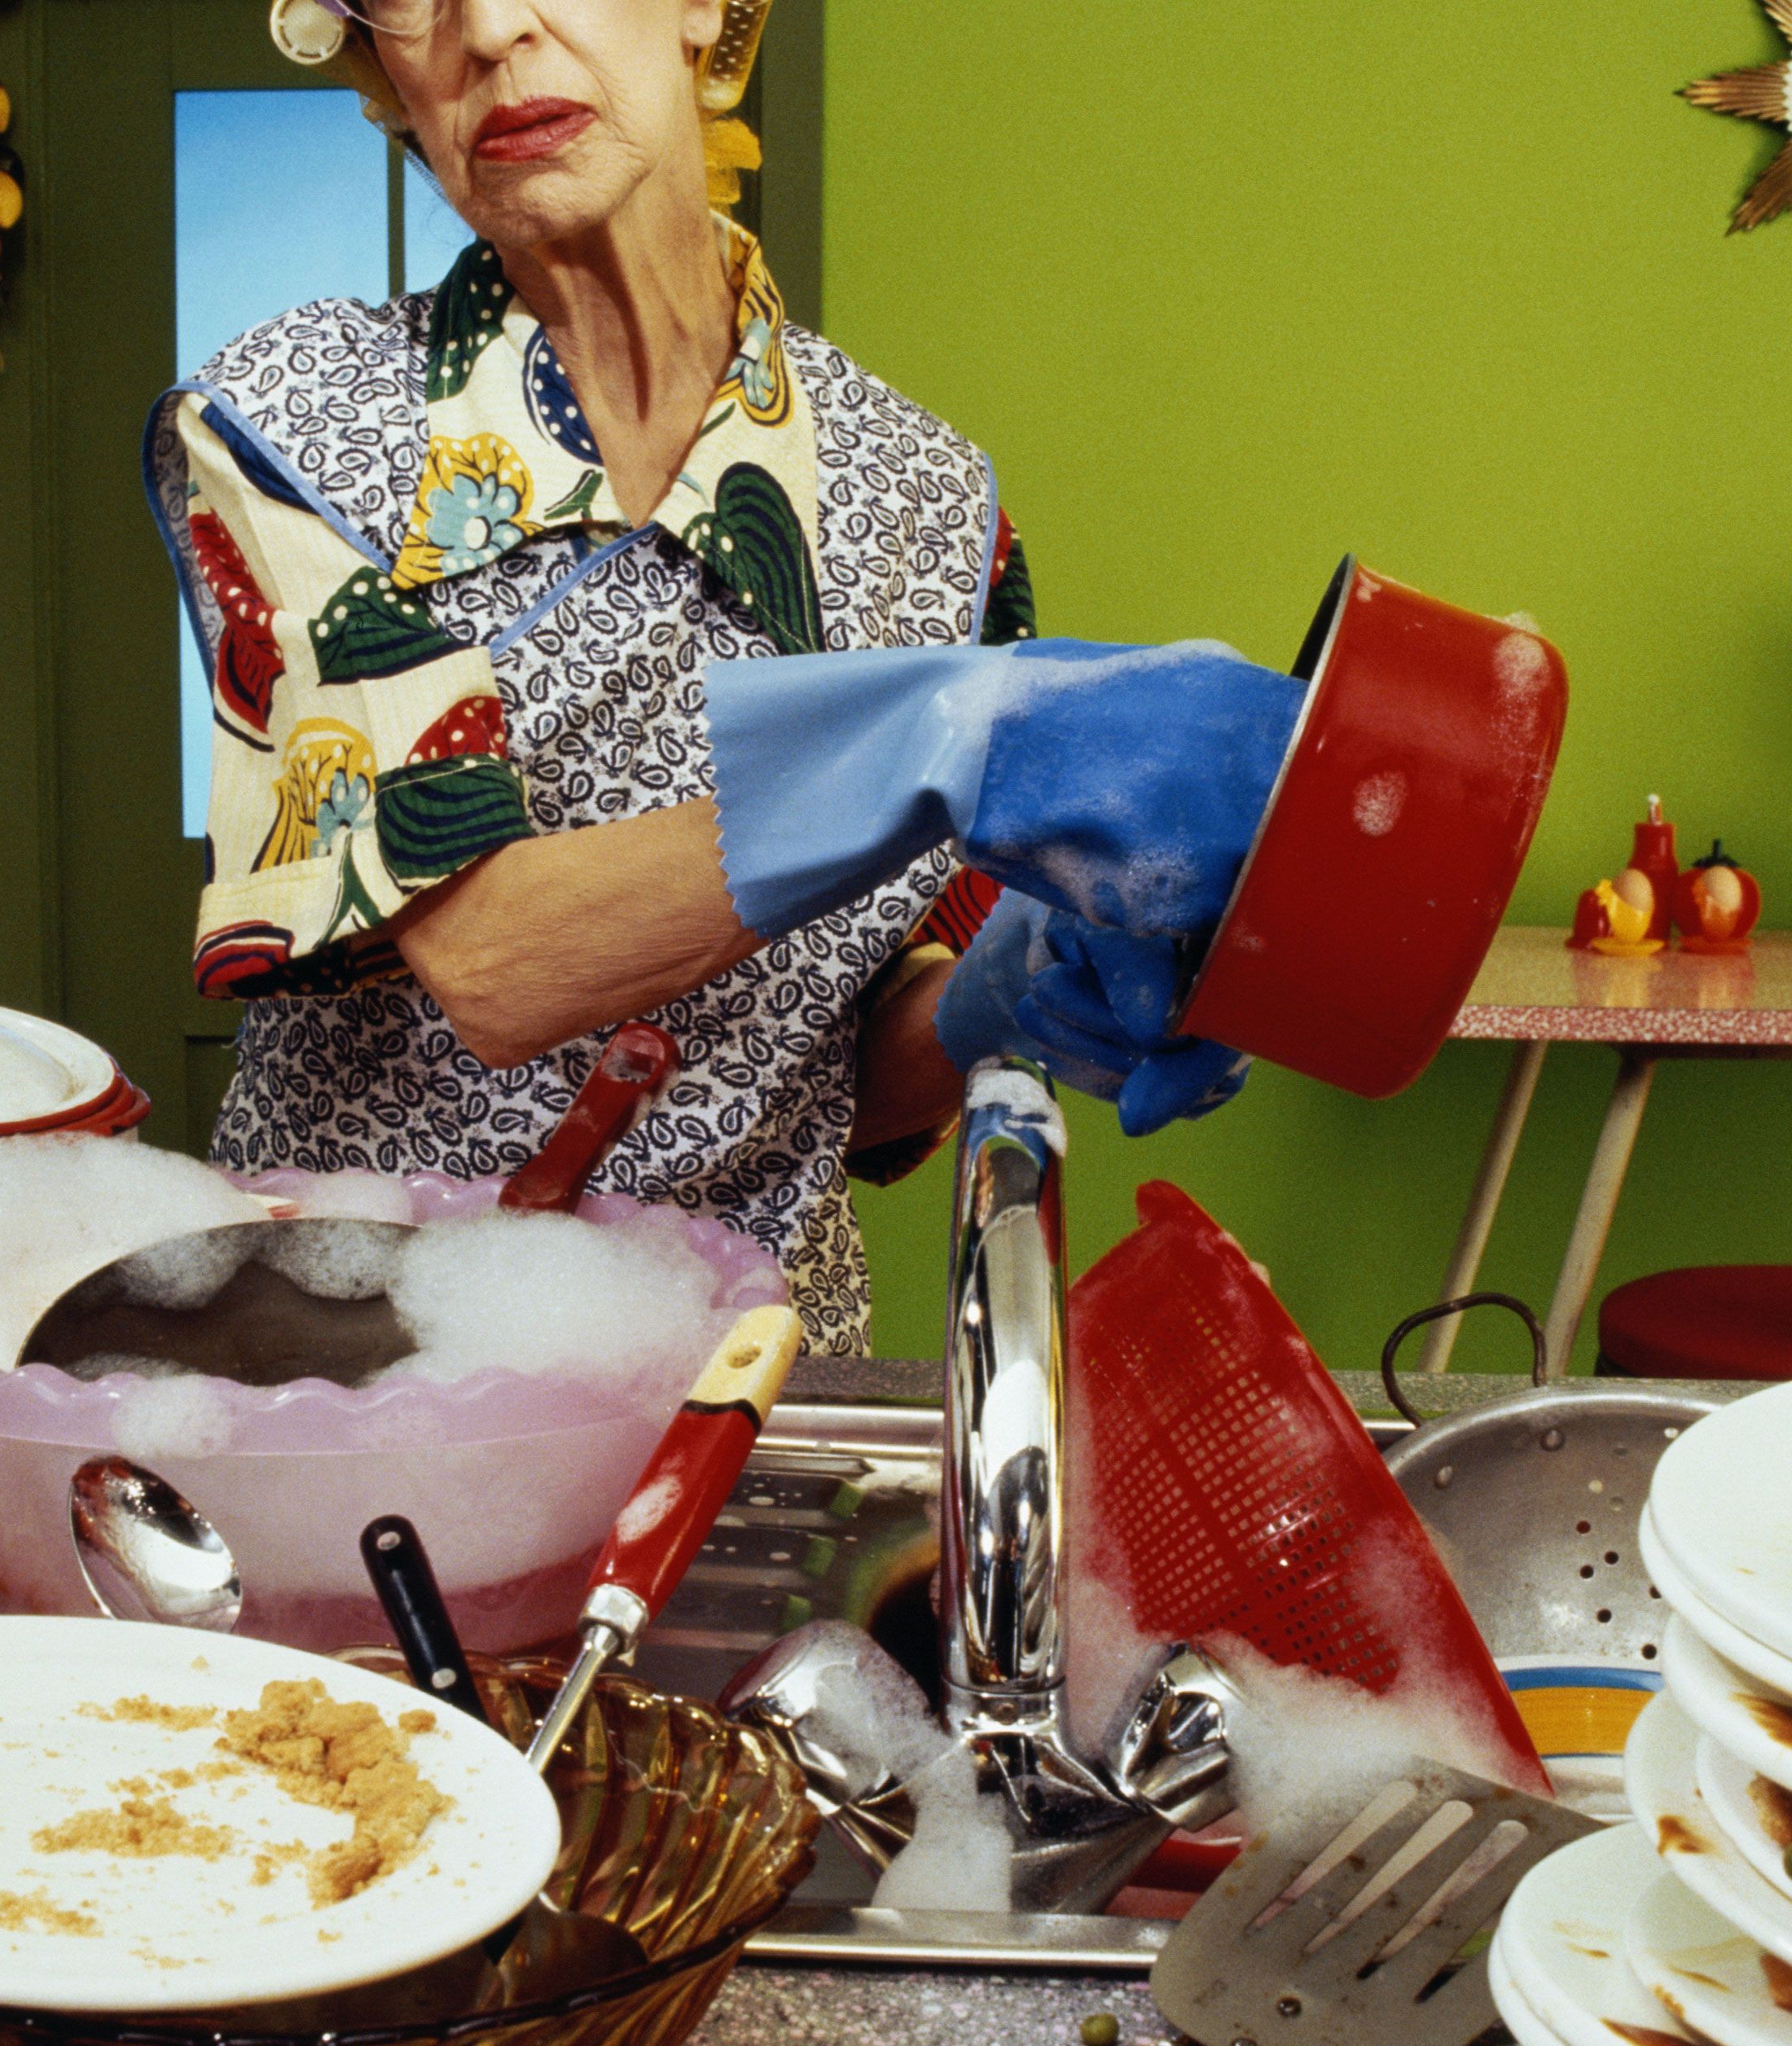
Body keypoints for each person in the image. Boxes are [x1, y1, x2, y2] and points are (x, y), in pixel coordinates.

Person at [153, 0, 1298, 1351]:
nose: (492, 33)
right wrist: (927, 746)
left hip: (747, 1387)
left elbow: (829, 1085)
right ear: (382, 68)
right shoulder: (291, 421)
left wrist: (1006, 992)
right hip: (359, 1372)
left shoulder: (926, 501)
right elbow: (494, 959)